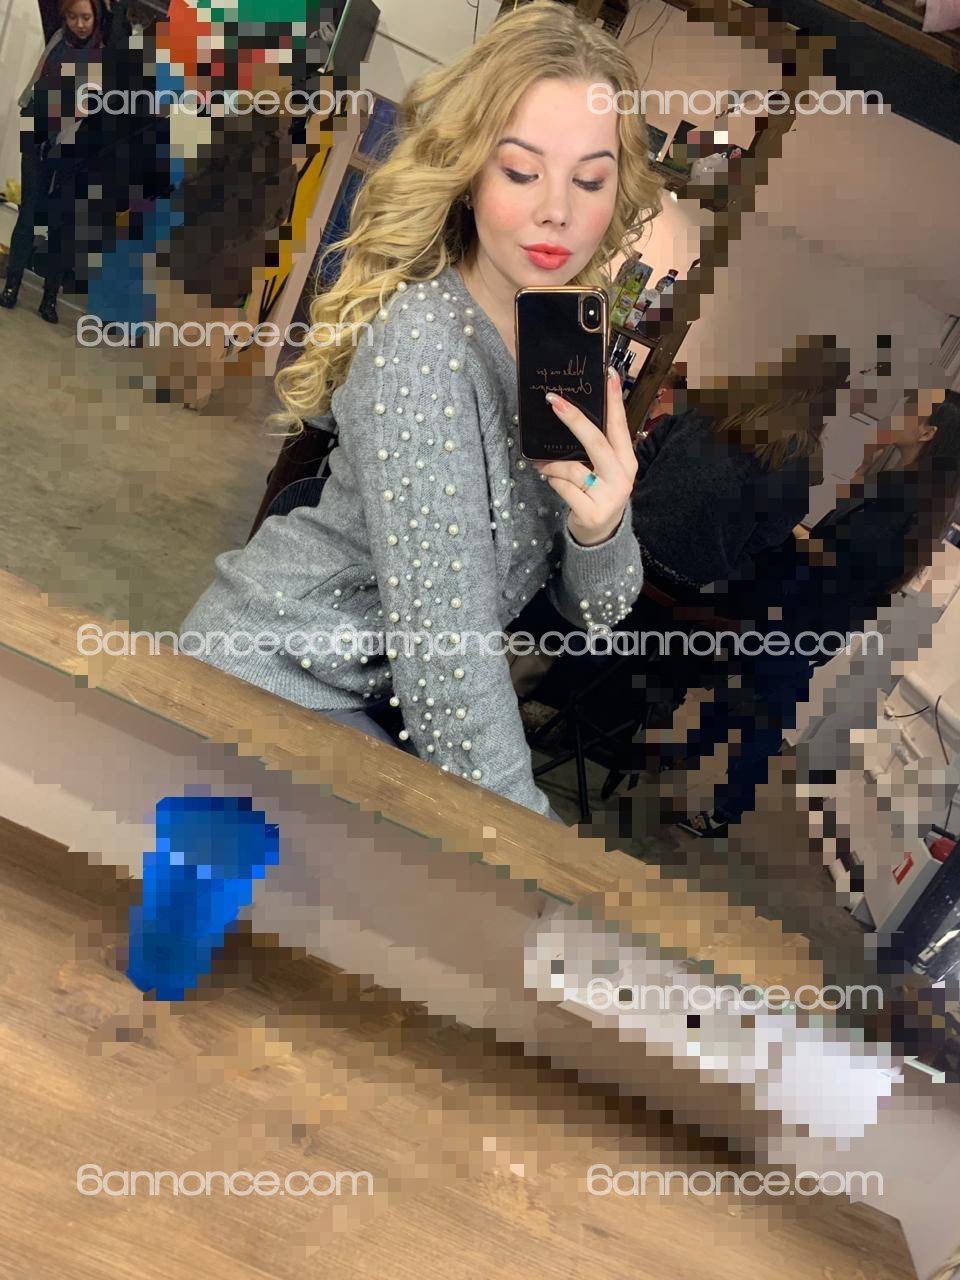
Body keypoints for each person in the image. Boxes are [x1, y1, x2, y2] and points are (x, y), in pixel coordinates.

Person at [179, 1, 662, 822]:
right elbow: (448, 657)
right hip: (275, 679)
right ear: (470, 174)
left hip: (378, 709)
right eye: (521, 171)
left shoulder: (565, 345)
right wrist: (531, 847)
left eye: (589, 179)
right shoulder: (424, 340)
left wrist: (602, 527)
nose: (558, 209)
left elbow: (598, 612)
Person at [515, 338, 849, 747]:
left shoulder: (711, 407)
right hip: (671, 599)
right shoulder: (800, 464)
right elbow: (762, 545)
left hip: (620, 558)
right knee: (702, 632)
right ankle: (598, 724)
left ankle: (543, 694)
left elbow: (639, 465)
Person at [674, 387, 960, 838]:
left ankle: (728, 807)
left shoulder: (907, 497)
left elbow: (844, 560)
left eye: (911, 410)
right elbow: (841, 538)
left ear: (927, 433)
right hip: (806, 609)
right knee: (742, 684)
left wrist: (792, 534)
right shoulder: (903, 486)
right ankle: (693, 752)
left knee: (766, 711)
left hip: (809, 616)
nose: (898, 412)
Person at [0, 0, 117, 322]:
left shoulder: (102, 56)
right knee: (27, 214)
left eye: (86, 17)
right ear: (63, 16)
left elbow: (89, 110)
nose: (79, 24)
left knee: (62, 225)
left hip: (72, 147)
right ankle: (11, 286)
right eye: (73, 16)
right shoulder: (56, 38)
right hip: (37, 135)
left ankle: (49, 298)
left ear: (97, 17)